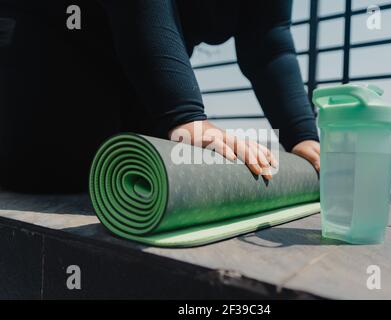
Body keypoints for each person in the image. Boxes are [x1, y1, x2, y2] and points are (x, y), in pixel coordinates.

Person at [0, 0, 320, 193]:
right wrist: (187, 118)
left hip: (141, 74)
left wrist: (303, 137)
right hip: (48, 43)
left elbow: (268, 40)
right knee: (58, 173)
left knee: (139, 177)